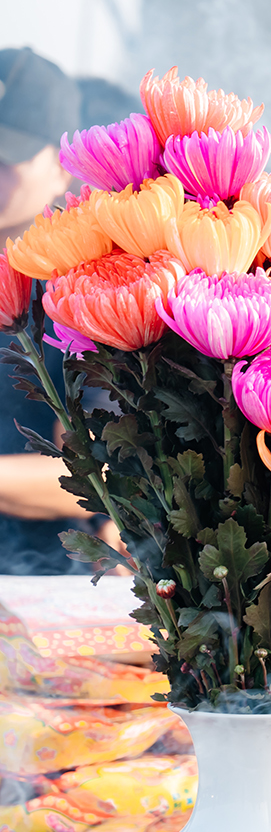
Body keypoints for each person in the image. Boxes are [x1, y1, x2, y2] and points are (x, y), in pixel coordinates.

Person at [0, 48, 93, 574]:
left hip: (40, 575)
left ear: (63, 168)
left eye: (5, 155)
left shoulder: (82, 293)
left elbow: (97, 474)